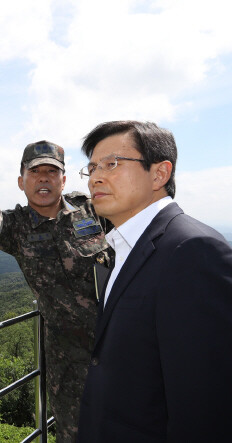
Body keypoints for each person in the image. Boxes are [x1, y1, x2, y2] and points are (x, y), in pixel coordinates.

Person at [77, 120, 232, 442]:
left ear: (159, 174)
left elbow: (205, 407)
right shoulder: (125, 245)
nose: (96, 177)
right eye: (91, 167)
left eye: (112, 164)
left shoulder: (193, 251)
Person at [0, 141, 111, 442]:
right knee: (76, 433)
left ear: (64, 180)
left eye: (52, 171)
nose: (44, 178)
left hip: (122, 341)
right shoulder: (17, 226)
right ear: (21, 181)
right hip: (69, 362)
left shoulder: (90, 209)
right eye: (35, 172)